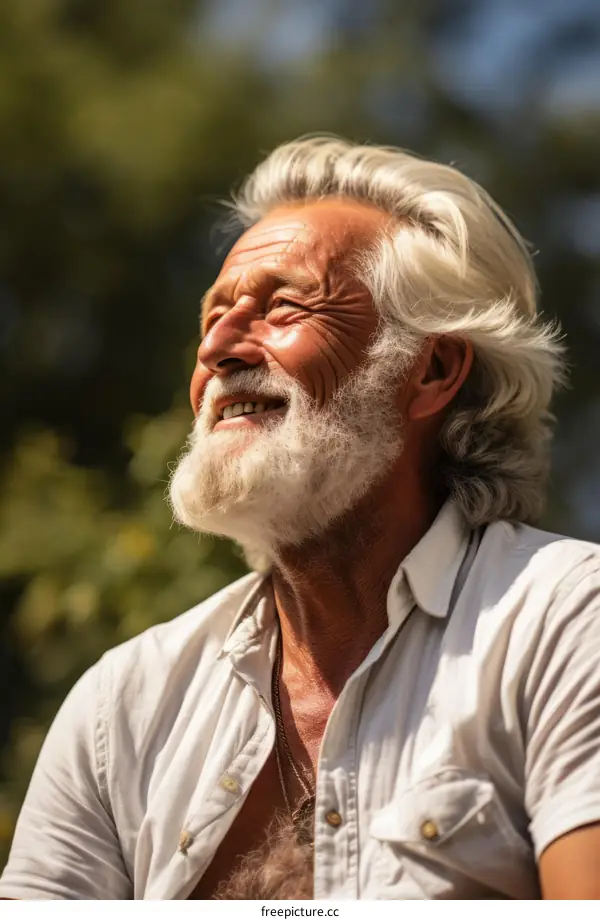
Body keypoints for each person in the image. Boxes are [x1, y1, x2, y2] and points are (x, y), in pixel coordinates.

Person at [1, 135, 599, 901]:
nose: (218, 348)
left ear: (432, 369)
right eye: (214, 315)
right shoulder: (122, 705)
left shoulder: (566, 620)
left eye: (283, 305)